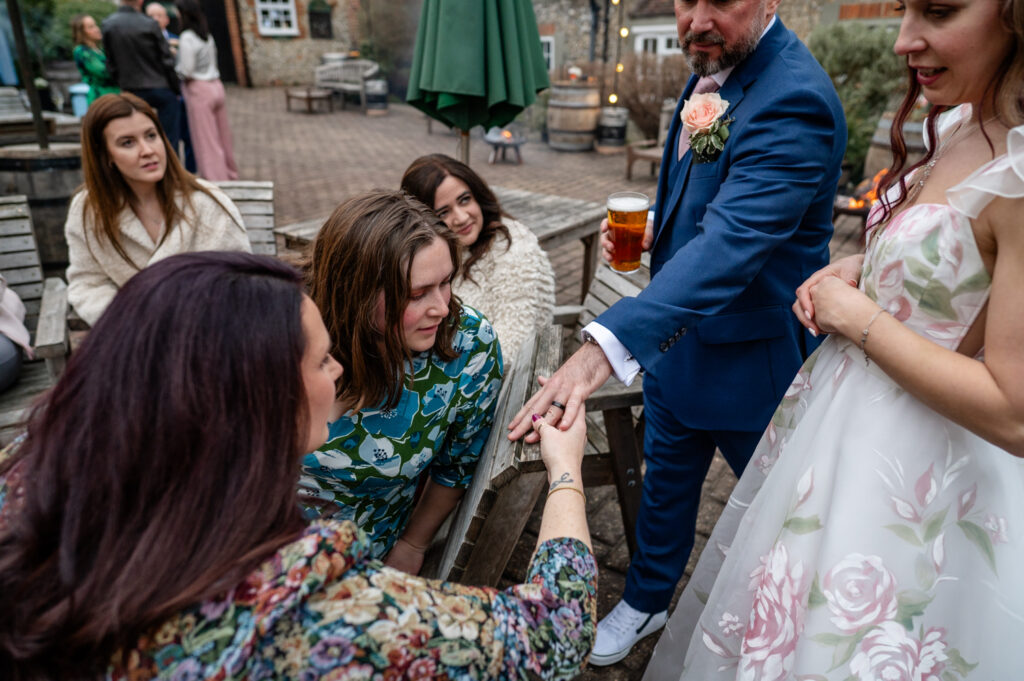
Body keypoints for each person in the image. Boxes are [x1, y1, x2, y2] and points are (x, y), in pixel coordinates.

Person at [642, 0, 1024, 678]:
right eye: (904, 10)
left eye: (936, 12)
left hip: (916, 466)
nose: (905, 41)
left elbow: (1014, 409)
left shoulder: (1017, 172)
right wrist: (867, 266)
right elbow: (961, 270)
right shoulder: (961, 121)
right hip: (835, 424)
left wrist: (858, 317)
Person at [0, 251, 597, 680]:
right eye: (319, 361)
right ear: (253, 405)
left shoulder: (34, 481)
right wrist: (565, 472)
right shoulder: (313, 610)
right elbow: (555, 636)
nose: (335, 373)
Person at [508, 0, 847, 665]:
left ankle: (788, 635)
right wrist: (659, 222)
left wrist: (604, 346)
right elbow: (714, 193)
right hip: (675, 346)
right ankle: (645, 600)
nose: (697, 18)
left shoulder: (795, 100)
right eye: (686, 0)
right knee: (664, 487)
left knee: (777, 513)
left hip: (756, 367)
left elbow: (733, 242)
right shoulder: (714, 65)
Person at [301, 190, 504, 575]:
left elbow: (456, 465)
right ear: (355, 294)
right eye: (417, 294)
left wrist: (413, 543)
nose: (442, 308)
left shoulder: (467, 347)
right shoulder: (299, 326)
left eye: (446, 282)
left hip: (352, 563)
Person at [64, 92, 250, 326]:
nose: (147, 150)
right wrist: (130, 321)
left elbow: (237, 279)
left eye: (151, 136)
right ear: (105, 156)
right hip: (134, 338)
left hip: (209, 332)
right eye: (128, 142)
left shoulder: (206, 203)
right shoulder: (88, 211)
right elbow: (88, 283)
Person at [401, 153, 555, 366]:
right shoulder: (434, 253)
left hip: (506, 382)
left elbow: (512, 345)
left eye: (465, 200)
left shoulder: (515, 246)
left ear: (477, 195)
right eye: (444, 212)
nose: (462, 217)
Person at [102, 0, 182, 154]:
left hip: (131, 89)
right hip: (160, 86)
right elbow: (166, 59)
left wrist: (121, 83)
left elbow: (110, 62)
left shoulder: (109, 25)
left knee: (135, 139)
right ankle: (172, 171)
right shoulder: (149, 24)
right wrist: (175, 88)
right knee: (170, 139)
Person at [173, 0, 239, 181]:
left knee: (206, 140)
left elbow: (186, 70)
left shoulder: (187, 37)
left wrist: (175, 65)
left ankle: (216, 180)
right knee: (223, 136)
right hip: (216, 86)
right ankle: (230, 173)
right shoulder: (206, 35)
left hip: (199, 89)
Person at [71, 14, 120, 106]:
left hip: (117, 94)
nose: (97, 29)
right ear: (81, 32)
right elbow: (104, 72)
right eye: (91, 27)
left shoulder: (101, 50)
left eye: (95, 25)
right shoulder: (81, 51)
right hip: (101, 98)